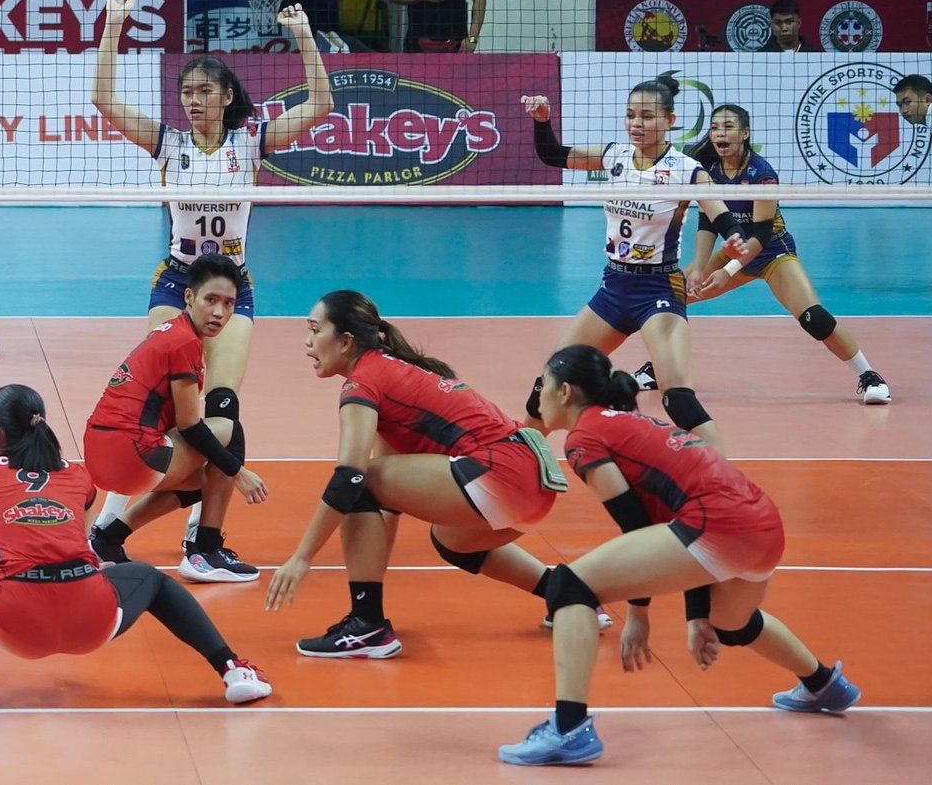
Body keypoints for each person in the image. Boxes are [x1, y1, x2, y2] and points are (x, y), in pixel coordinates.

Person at [499, 345, 859, 766]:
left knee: (569, 587)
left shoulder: (585, 438)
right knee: (731, 623)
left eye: (544, 383)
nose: (538, 393)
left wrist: (638, 615)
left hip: (720, 525)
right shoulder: (627, 422)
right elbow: (669, 525)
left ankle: (569, 729)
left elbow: (637, 525)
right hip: (761, 526)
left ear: (565, 393)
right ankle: (822, 683)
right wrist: (697, 615)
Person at [90, 0, 330, 580]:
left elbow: (321, 104)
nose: (193, 101)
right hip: (175, 282)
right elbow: (102, 99)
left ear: (227, 96)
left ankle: (203, 537)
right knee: (165, 406)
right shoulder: (168, 144)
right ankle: (113, 513)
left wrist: (303, 38)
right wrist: (114, 27)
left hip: (232, 285)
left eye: (204, 91)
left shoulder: (251, 141)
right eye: (185, 93)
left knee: (221, 412)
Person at [0, 383, 271, 708]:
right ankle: (233, 670)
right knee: (151, 579)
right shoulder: (78, 477)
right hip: (93, 618)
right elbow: (75, 545)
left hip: (15, 622)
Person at [265, 291, 584, 659]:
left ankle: (367, 626)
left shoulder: (364, 382)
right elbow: (388, 505)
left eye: (315, 329)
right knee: (451, 540)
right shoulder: (394, 369)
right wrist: (371, 577)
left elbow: (351, 476)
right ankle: (565, 592)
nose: (307, 341)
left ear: (346, 341)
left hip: (502, 474)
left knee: (361, 481)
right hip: (533, 482)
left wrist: (302, 557)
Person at [522, 77, 748, 454]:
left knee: (677, 398)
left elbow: (720, 214)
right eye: (630, 115)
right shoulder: (614, 156)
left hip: (658, 291)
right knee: (551, 377)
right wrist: (542, 121)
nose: (636, 123)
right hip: (614, 288)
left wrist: (734, 236)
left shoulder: (688, 170)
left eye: (646, 116)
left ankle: (722, 477)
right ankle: (521, 456)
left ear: (670, 120)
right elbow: (552, 154)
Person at [633, 104, 889, 404]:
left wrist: (726, 271)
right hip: (733, 252)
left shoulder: (762, 173)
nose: (720, 133)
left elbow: (762, 233)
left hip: (772, 254)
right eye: (715, 127)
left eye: (728, 127)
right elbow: (707, 222)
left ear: (745, 133)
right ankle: (659, 367)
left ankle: (869, 375)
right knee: (669, 298)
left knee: (813, 317)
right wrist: (700, 268)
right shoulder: (707, 170)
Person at [82, 254, 270, 580]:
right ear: (189, 297)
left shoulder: (170, 331)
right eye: (211, 300)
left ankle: (108, 539)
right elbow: (190, 426)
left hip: (100, 452)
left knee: (210, 479)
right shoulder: (185, 342)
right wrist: (238, 472)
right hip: (131, 455)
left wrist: (224, 472)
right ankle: (205, 554)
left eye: (228, 304)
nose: (219, 313)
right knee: (229, 431)